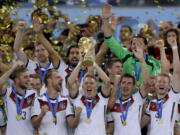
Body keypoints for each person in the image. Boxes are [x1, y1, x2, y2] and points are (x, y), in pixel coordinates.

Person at [102, 3, 161, 87]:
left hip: (145, 98)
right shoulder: (125, 55)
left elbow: (156, 82)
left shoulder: (154, 62)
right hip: (125, 97)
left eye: (139, 44)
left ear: (145, 47)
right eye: (133, 44)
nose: (136, 46)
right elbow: (109, 38)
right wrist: (105, 20)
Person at [106, 41, 149, 135]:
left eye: (129, 83)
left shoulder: (138, 98)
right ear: (119, 85)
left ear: (133, 87)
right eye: (123, 83)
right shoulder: (113, 104)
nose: (126, 86)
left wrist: (141, 59)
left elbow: (146, 83)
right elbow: (110, 128)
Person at [142, 33, 180, 135]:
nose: (161, 84)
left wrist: (174, 47)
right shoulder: (151, 104)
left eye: (164, 82)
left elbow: (176, 72)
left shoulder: (173, 97)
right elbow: (140, 125)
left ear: (169, 86)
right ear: (155, 85)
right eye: (159, 82)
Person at [67, 54, 111, 135]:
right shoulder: (77, 99)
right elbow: (70, 82)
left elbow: (107, 82)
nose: (88, 85)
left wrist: (94, 64)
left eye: (91, 83)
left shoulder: (102, 98)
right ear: (82, 86)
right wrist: (80, 64)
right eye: (86, 83)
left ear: (97, 86)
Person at [31, 69, 82, 135]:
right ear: (49, 80)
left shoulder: (65, 100)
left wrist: (77, 117)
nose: (62, 79)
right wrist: (42, 114)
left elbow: (72, 124)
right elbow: (34, 125)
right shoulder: (38, 100)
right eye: (58, 77)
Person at [0, 61, 37, 135]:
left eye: (29, 76)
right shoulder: (8, 92)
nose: (29, 79)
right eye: (25, 77)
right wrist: (13, 68)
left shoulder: (33, 94)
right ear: (16, 80)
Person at [13, 21, 54, 86]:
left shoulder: (55, 66)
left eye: (43, 50)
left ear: (48, 51)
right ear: (34, 53)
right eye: (37, 51)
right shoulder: (31, 65)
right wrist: (20, 30)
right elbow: (17, 49)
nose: (40, 53)